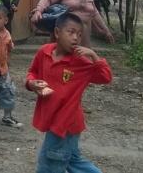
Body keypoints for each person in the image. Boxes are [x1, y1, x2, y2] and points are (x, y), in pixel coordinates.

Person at [25, 13, 112, 173]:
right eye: (71, 32)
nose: (75, 38)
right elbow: (33, 72)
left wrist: (93, 55)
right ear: (57, 33)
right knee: (73, 162)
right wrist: (31, 83)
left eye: (79, 34)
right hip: (52, 119)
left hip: (64, 123)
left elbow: (105, 77)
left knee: (49, 165)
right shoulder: (44, 52)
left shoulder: (80, 62)